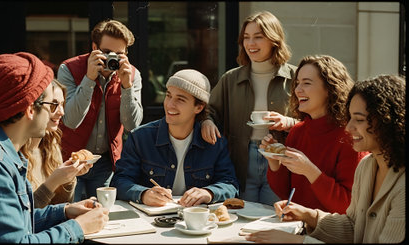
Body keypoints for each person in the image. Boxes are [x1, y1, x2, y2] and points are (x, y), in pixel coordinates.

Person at [0, 52, 108, 243]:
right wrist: (78, 227)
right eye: (51, 105)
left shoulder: (3, 153)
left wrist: (64, 212)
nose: (57, 114)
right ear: (30, 109)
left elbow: (18, 223)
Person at [246, 74, 406, 243]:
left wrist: (299, 242)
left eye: (358, 119)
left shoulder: (402, 186)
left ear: (388, 121)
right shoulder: (367, 165)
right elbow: (353, 226)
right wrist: (309, 215)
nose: (349, 127)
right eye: (349, 117)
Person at [201, 11, 297, 205]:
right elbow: (208, 110)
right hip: (241, 160)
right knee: (244, 217)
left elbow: (313, 121)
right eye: (246, 38)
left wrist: (289, 122)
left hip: (280, 160)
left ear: (274, 40)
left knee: (271, 219)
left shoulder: (295, 77)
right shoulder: (231, 78)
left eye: (258, 37)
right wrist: (207, 121)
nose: (250, 44)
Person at [111, 69, 239, 207]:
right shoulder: (140, 138)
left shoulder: (214, 142)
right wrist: (143, 194)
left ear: (199, 107)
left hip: (196, 219)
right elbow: (119, 181)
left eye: (180, 99)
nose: (170, 104)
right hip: (149, 219)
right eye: (168, 95)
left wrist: (208, 193)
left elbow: (230, 184)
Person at [261, 55, 368, 214]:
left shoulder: (351, 137)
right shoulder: (298, 132)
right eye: (297, 83)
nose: (297, 90)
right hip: (297, 227)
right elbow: (286, 193)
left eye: (306, 83)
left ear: (330, 89)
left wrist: (310, 170)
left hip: (331, 234)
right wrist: (274, 163)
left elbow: (347, 205)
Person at [57, 19, 143, 201]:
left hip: (105, 162)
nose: (112, 58)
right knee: (71, 214)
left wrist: (126, 87)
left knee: (103, 216)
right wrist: (89, 78)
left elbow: (131, 125)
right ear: (94, 47)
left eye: (119, 54)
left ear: (126, 53)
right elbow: (70, 121)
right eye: (106, 52)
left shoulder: (132, 75)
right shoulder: (69, 69)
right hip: (70, 161)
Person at [20, 79, 93, 208]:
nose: (61, 112)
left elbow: (59, 205)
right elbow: (26, 216)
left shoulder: (50, 144)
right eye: (53, 105)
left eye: (62, 104)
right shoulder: (15, 152)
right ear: (34, 107)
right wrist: (53, 182)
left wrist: (68, 178)